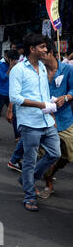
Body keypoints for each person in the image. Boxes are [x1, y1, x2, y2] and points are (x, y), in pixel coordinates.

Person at [9, 34, 61, 212]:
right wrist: (40, 105)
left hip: (46, 120)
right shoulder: (18, 70)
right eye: (42, 47)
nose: (46, 50)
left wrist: (50, 111)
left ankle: (26, 180)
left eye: (46, 47)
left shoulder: (43, 68)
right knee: (30, 161)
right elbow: (14, 97)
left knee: (55, 153)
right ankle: (29, 195)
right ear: (32, 49)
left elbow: (44, 94)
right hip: (30, 122)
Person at [38, 38, 72, 198]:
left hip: (65, 119)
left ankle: (52, 171)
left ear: (50, 53)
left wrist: (66, 97)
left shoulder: (67, 69)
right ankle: (48, 182)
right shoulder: (38, 71)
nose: (40, 54)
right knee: (47, 155)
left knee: (67, 155)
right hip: (45, 121)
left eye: (43, 51)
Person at [0, 50, 20, 141]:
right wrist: (10, 68)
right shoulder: (0, 65)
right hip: (1, 93)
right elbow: (2, 78)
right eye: (13, 60)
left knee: (14, 114)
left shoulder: (16, 65)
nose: (15, 62)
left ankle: (17, 136)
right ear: (9, 59)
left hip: (11, 93)